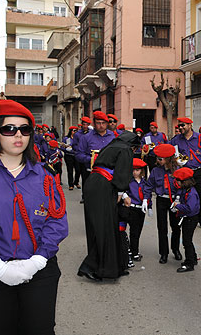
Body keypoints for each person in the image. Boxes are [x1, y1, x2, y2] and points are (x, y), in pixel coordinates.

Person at [0, 100, 68, 334]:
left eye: (25, 129)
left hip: (39, 271)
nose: (18, 135)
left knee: (39, 329)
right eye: (9, 129)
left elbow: (56, 220)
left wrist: (37, 260)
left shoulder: (45, 175)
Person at [77, 131, 139, 281]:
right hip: (104, 188)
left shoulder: (111, 146)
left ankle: (114, 266)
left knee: (99, 226)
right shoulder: (125, 150)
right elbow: (122, 174)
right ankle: (92, 267)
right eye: (135, 149)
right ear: (132, 145)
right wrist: (121, 193)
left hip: (93, 184)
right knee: (106, 228)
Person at [170, 117, 201, 229]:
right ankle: (185, 214)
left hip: (199, 171)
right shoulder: (176, 140)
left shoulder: (200, 138)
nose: (180, 127)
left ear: (189, 125)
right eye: (179, 125)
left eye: (183, 125)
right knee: (184, 195)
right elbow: (171, 151)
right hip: (184, 173)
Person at [143, 144, 181, 264]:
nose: (158, 161)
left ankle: (175, 249)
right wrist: (146, 201)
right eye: (157, 158)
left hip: (174, 201)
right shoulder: (155, 171)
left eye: (160, 159)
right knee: (162, 227)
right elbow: (149, 186)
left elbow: (182, 186)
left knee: (175, 227)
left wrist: (178, 200)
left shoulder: (177, 170)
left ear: (169, 159)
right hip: (161, 200)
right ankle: (163, 253)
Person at [75, 112, 114, 203]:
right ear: (94, 123)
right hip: (91, 172)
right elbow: (78, 155)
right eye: (98, 123)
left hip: (109, 173)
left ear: (107, 123)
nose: (101, 125)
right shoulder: (86, 137)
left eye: (103, 123)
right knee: (92, 201)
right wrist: (91, 159)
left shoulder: (112, 136)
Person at [118, 158, 150, 263]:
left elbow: (147, 192)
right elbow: (121, 188)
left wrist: (148, 204)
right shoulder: (128, 181)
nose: (134, 172)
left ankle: (133, 251)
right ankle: (127, 251)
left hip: (140, 209)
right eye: (133, 170)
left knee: (136, 232)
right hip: (129, 208)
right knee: (124, 231)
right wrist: (124, 195)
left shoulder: (144, 182)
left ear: (142, 171)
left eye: (137, 170)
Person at [170, 167, 201, 273]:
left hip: (190, 219)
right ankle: (193, 257)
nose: (176, 183)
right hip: (186, 218)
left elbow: (189, 208)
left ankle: (189, 263)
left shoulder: (191, 193)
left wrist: (178, 206)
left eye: (178, 180)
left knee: (187, 241)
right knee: (188, 240)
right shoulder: (185, 190)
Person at [73, 117, 90, 189]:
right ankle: (84, 196)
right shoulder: (77, 134)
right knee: (84, 176)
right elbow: (74, 145)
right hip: (82, 157)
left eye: (87, 124)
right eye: (84, 124)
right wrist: (81, 149)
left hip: (90, 157)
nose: (85, 126)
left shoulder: (91, 133)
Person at [62, 126, 80, 190]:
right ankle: (71, 184)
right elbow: (62, 147)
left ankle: (76, 182)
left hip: (76, 155)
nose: (75, 132)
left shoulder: (78, 138)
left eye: (76, 131)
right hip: (69, 155)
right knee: (70, 170)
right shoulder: (66, 138)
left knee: (78, 170)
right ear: (71, 131)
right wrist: (66, 148)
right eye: (74, 131)